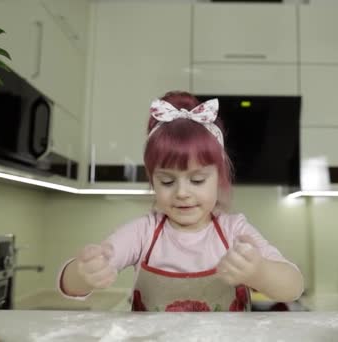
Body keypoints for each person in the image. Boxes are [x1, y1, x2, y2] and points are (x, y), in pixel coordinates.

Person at [58, 91, 304, 312]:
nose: (182, 193)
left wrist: (259, 272)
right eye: (167, 182)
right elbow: (70, 285)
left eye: (197, 180)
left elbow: (293, 286)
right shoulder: (143, 233)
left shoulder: (233, 231)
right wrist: (84, 273)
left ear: (218, 178)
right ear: (152, 181)